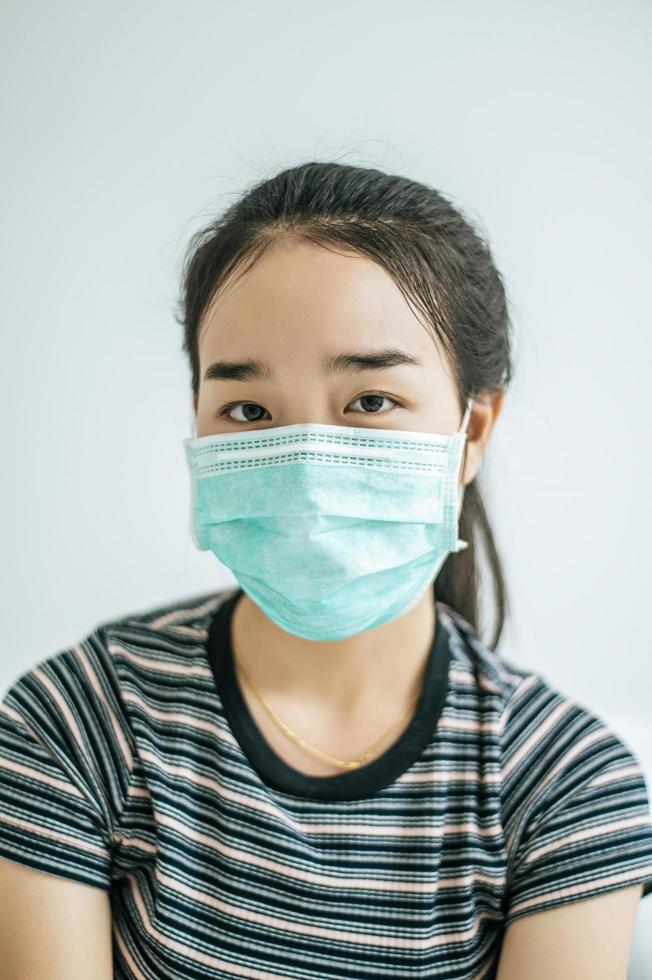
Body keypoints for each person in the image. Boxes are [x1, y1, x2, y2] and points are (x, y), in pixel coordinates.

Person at [1, 161, 650, 979]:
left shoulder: (567, 787)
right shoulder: (74, 722)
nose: (307, 467)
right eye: (249, 410)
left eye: (371, 400)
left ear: (473, 429)